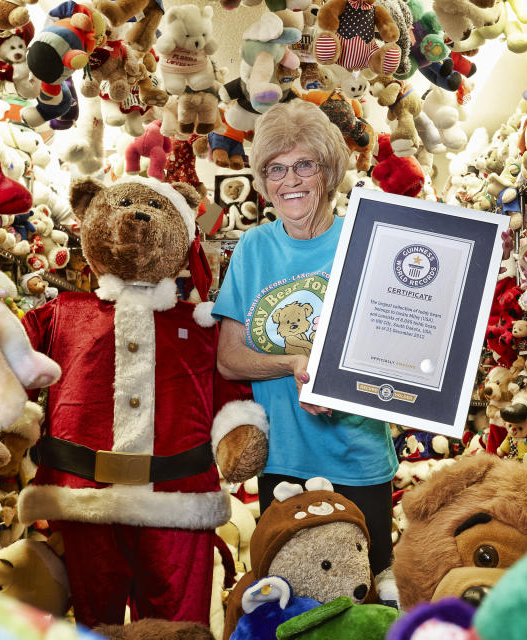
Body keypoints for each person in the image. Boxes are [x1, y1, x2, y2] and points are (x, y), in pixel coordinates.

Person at [213, 100, 399, 590]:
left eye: (303, 165)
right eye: (276, 168)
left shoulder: (366, 239)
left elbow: (393, 344)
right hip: (284, 462)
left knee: (370, 594)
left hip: (359, 456)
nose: (289, 180)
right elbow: (229, 359)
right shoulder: (253, 248)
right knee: (293, 600)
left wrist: (337, 381)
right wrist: (295, 362)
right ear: (263, 180)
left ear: (329, 170)